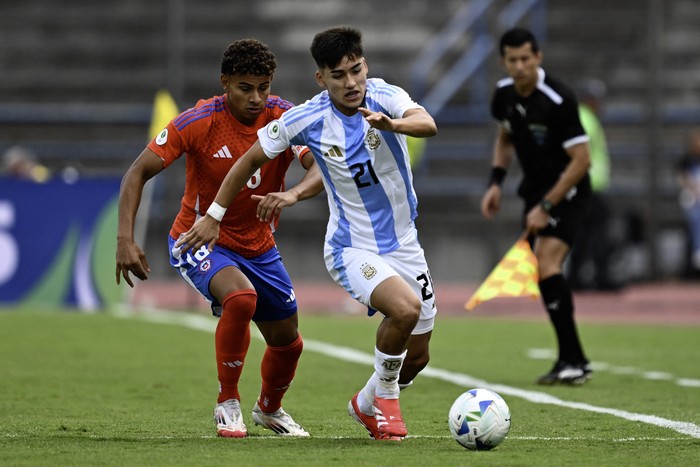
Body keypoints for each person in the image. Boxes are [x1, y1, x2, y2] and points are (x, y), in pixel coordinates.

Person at [176, 26, 438, 441]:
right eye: (339, 75)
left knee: (418, 355)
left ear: (365, 65)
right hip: (352, 247)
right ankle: (386, 401)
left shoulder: (385, 96)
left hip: (405, 244)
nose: (351, 83)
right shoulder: (305, 118)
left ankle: (366, 402)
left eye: (356, 70)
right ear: (322, 79)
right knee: (403, 310)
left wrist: (395, 125)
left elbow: (427, 122)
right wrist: (214, 214)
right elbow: (247, 161)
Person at [115, 39, 323, 438]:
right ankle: (227, 402)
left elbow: (317, 168)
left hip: (259, 246)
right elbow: (135, 174)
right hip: (199, 240)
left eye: (264, 86)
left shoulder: (284, 116)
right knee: (241, 298)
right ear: (225, 83)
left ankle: (270, 409)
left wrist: (293, 193)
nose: (257, 97)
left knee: (289, 342)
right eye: (246, 87)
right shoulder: (198, 121)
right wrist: (125, 238)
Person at [480, 27, 592, 385]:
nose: (520, 66)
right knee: (544, 269)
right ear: (504, 61)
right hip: (534, 189)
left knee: (547, 264)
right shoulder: (503, 95)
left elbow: (581, 160)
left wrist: (546, 204)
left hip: (567, 189)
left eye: (526, 58)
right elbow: (505, 137)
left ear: (538, 58)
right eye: (512, 60)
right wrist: (495, 183)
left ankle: (572, 360)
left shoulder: (558, 99)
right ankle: (574, 359)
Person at [568, 78, 620, 291]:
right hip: (590, 186)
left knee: (583, 234)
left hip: (584, 186)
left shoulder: (582, 117)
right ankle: (602, 276)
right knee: (599, 233)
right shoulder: (587, 120)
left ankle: (575, 278)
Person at [676, 128, 700, 276]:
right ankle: (698, 249)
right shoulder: (687, 159)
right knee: (694, 215)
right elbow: (681, 178)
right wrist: (694, 188)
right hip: (691, 195)